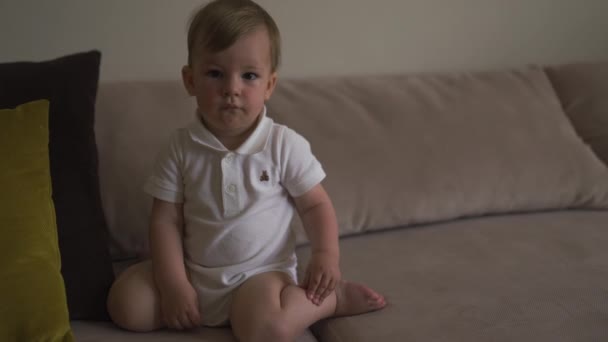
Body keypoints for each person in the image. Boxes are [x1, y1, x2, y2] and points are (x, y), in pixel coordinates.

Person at [106, 0, 386, 340]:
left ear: (269, 85)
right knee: (125, 304)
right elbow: (165, 220)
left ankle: (332, 300)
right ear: (190, 80)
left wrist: (326, 255)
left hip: (261, 276)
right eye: (215, 73)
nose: (232, 89)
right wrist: (174, 285)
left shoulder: (283, 144)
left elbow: (315, 205)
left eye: (249, 75)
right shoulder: (179, 148)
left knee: (265, 330)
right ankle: (180, 295)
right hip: (195, 273)